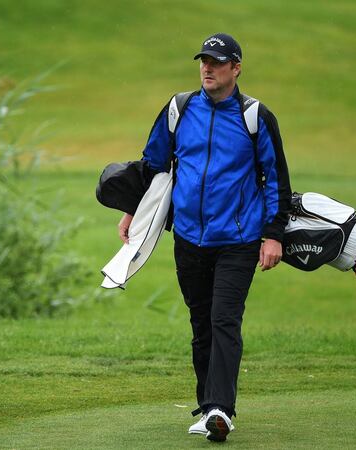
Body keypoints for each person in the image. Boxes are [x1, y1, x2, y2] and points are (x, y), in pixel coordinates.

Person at [117, 33, 291, 442]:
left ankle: (221, 409)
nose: (207, 68)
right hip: (189, 239)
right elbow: (153, 166)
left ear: (236, 68)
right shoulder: (179, 109)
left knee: (223, 319)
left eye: (216, 62)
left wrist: (273, 236)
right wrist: (132, 211)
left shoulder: (255, 117)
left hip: (238, 240)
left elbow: (276, 181)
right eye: (203, 61)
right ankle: (209, 407)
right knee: (201, 324)